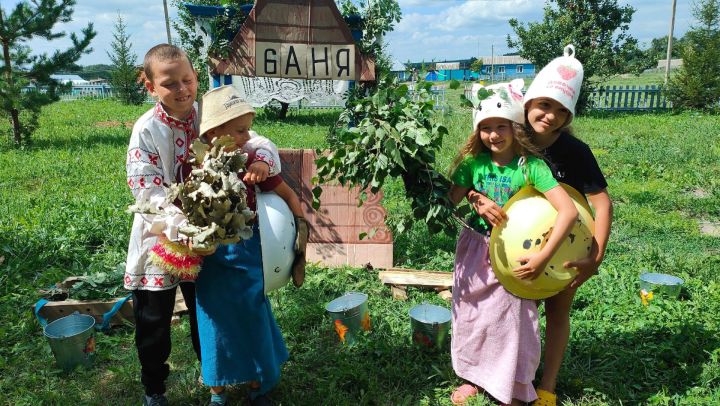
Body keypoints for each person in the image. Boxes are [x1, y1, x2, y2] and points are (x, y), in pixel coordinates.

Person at [124, 45, 283, 406]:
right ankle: (154, 388)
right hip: (163, 237)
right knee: (154, 319)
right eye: (170, 84)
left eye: (188, 79)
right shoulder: (147, 130)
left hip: (211, 239)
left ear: (196, 78)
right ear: (150, 87)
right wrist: (182, 226)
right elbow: (147, 191)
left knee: (207, 313)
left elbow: (253, 138)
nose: (182, 89)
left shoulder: (208, 116)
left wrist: (263, 157)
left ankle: (214, 376)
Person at [467, 46, 613, 406]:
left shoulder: (575, 152)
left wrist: (597, 253)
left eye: (562, 110)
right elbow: (479, 178)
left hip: (568, 247)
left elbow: (601, 202)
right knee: (503, 314)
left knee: (558, 311)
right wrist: (475, 198)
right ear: (529, 102)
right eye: (545, 105)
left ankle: (546, 385)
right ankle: (490, 375)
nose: (550, 116)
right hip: (517, 249)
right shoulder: (509, 139)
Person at [448, 79, 579, 406]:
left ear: (515, 127)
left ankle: (514, 384)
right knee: (472, 315)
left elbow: (568, 212)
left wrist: (543, 257)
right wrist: (475, 196)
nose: (494, 134)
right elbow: (448, 201)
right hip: (475, 248)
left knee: (515, 322)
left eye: (501, 126)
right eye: (486, 127)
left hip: (516, 255)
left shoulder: (531, 167)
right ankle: (474, 377)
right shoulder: (471, 165)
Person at [194, 85, 309, 406]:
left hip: (247, 253)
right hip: (213, 257)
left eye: (247, 128)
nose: (248, 136)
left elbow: (286, 193)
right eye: (240, 130)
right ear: (216, 133)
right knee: (213, 319)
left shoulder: (251, 161)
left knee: (252, 312)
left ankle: (259, 383)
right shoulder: (199, 168)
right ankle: (218, 389)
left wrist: (301, 231)